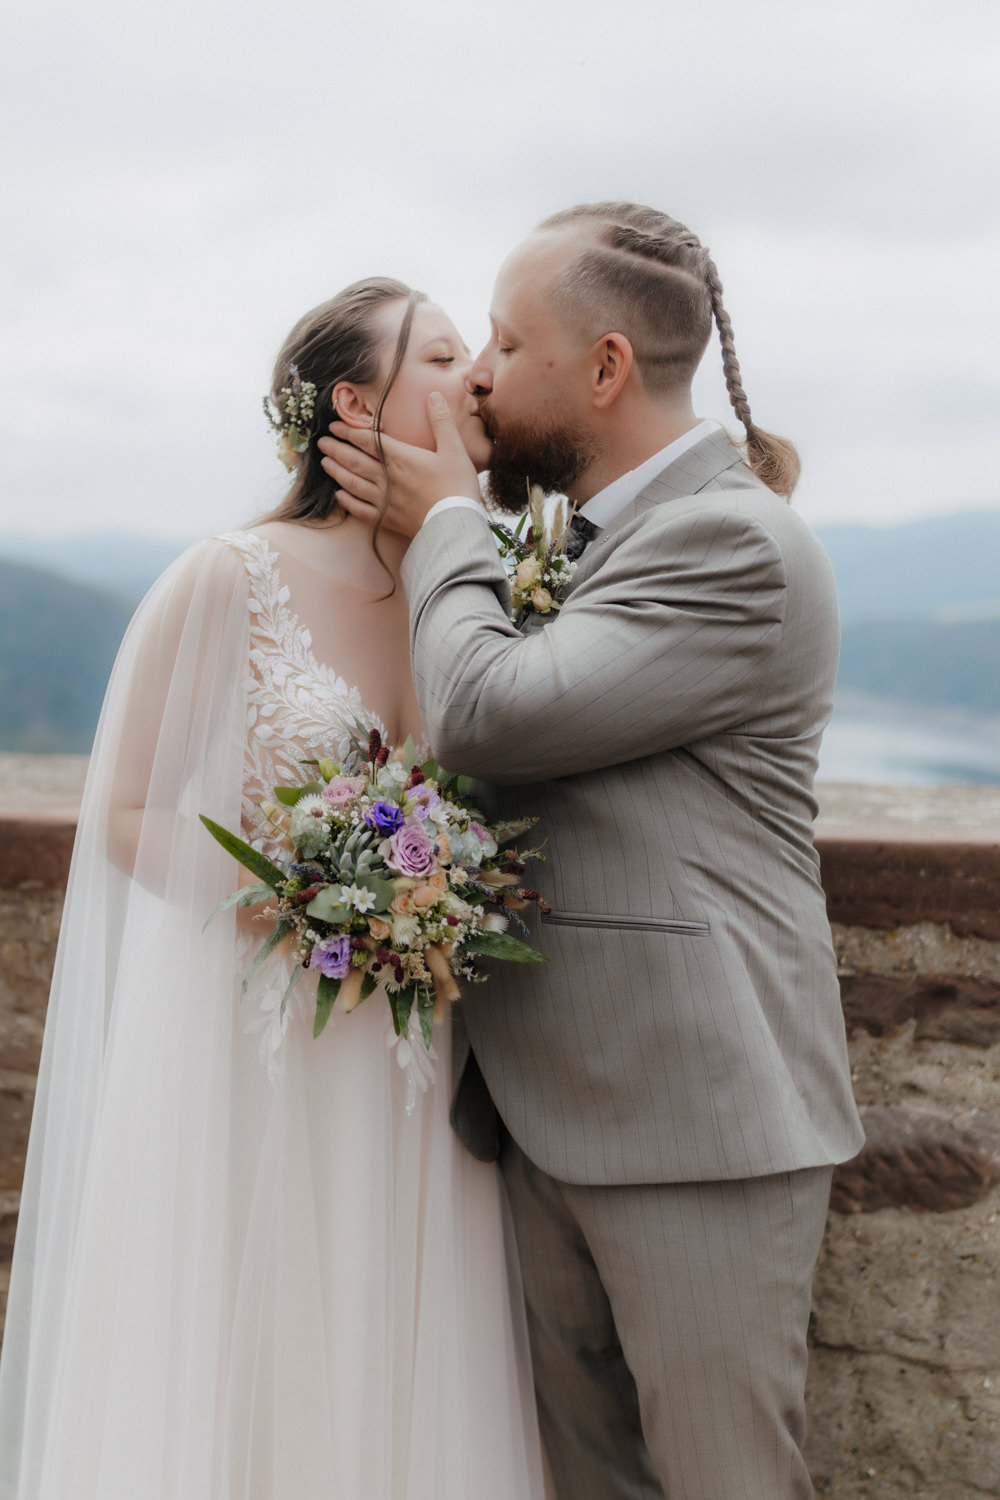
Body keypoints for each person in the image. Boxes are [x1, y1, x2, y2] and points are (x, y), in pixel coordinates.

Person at [319, 202, 866, 1500]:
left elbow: (491, 711)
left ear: (607, 367)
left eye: (507, 343)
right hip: (546, 1117)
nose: (485, 377)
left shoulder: (732, 541)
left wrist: (447, 521)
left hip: (697, 1121)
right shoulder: (586, 536)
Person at [0, 279, 549, 1499]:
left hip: (430, 1058)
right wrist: (301, 892)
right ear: (353, 401)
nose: (473, 376)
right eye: (445, 352)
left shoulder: (470, 589)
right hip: (270, 1045)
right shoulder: (229, 577)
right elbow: (127, 810)